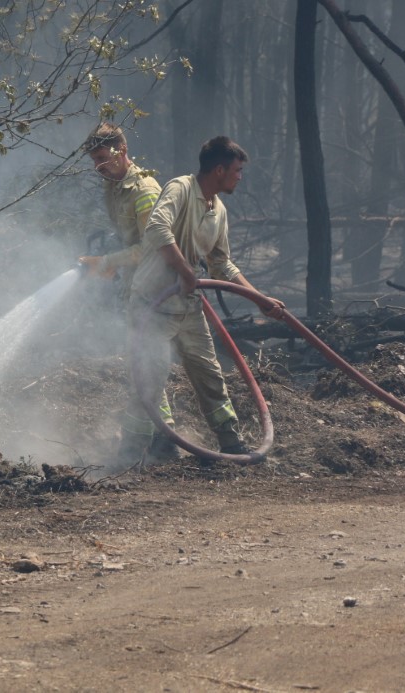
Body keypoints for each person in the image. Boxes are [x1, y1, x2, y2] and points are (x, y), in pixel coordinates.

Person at [122, 135, 285, 463]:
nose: (240, 177)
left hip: (187, 308)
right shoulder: (180, 189)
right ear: (220, 169)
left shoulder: (218, 211)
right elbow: (157, 228)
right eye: (237, 171)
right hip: (151, 305)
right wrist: (185, 272)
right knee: (150, 376)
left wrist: (259, 299)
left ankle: (230, 441)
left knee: (210, 375)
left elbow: (222, 264)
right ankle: (131, 451)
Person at [77, 122, 177, 465]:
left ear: (122, 149)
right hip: (138, 287)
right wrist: (112, 264)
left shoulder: (144, 189)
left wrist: (106, 261)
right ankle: (166, 440)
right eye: (94, 161)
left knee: (146, 364)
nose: (98, 167)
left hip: (157, 291)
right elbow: (130, 245)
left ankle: (141, 448)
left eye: (103, 158)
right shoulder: (114, 186)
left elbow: (152, 249)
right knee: (144, 364)